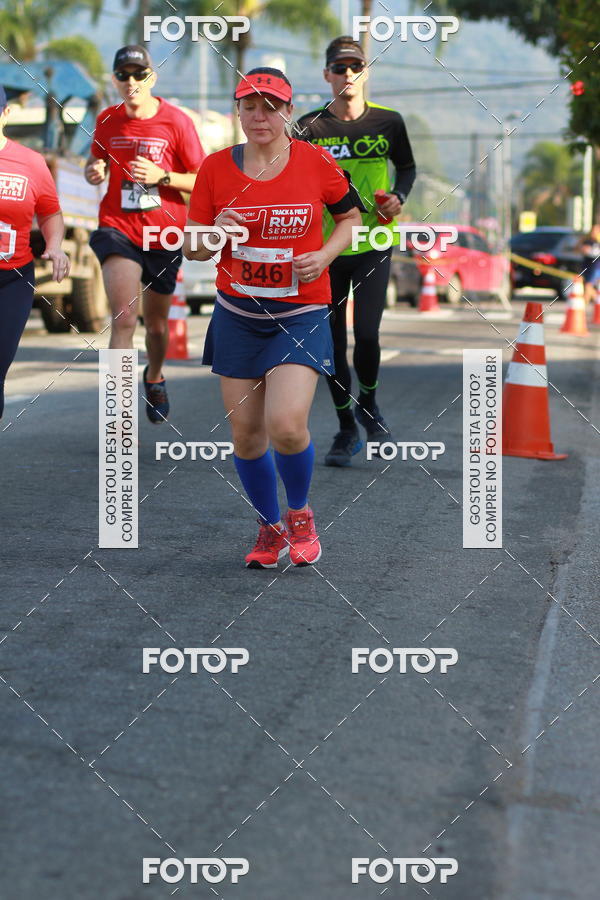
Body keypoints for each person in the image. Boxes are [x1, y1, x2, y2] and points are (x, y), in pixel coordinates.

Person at [184, 67, 361, 568]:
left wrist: (326, 254)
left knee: (286, 425)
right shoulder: (215, 169)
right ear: (237, 111)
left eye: (270, 106)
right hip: (238, 314)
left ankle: (300, 514)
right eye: (249, 106)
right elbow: (194, 249)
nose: (259, 116)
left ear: (288, 112)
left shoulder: (315, 162)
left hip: (299, 312)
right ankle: (269, 528)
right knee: (246, 433)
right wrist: (214, 230)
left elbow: (351, 218)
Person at [296, 36, 416, 466]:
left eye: (356, 67)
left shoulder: (389, 122)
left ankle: (370, 403)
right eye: (340, 68)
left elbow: (406, 166)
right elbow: (290, 177)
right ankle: (346, 427)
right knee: (331, 342)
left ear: (366, 73)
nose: (348, 75)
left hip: (373, 242)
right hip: (324, 249)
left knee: (366, 334)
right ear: (327, 75)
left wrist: (398, 197)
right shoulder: (309, 127)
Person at [85, 45, 205, 423]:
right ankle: (118, 416)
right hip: (117, 228)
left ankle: (154, 375)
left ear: (152, 77)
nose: (131, 82)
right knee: (123, 318)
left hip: (163, 234)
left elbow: (203, 179)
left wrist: (163, 177)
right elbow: (97, 160)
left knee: (155, 327)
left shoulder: (176, 121)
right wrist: (95, 170)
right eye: (124, 75)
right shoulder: (107, 120)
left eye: (139, 74)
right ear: (115, 79)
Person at [0, 86, 70, 419]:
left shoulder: (30, 162)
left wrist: (55, 246)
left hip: (13, 279)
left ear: (6, 114)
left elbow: (50, 212)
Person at [577, 223, 600, 305]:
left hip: (595, 267)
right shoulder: (587, 241)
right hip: (586, 266)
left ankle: (583, 306)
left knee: (588, 286)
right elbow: (581, 250)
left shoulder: (597, 242)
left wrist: (590, 251)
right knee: (588, 287)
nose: (593, 232)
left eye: (596, 230)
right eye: (592, 230)